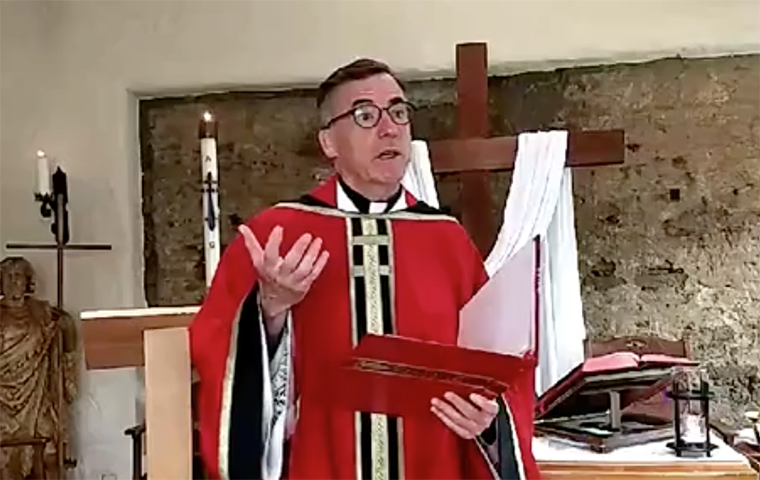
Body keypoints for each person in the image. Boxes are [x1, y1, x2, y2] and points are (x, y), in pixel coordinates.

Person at [189, 58, 540, 480]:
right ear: (329, 143)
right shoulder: (277, 236)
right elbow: (218, 363)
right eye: (364, 116)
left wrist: (488, 420)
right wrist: (269, 310)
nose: (389, 128)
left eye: (398, 112)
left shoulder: (447, 241)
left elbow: (498, 367)